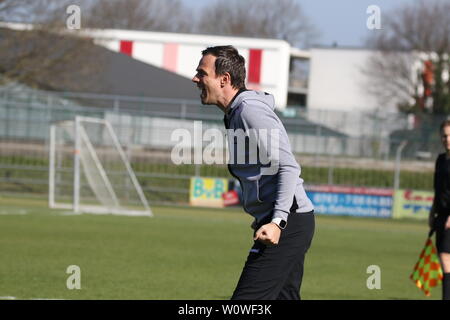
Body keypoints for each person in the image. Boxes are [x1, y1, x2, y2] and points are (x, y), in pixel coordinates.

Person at [192, 45, 315, 300]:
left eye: (202, 73)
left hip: (287, 222)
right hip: (287, 221)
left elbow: (288, 166)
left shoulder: (250, 110)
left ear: (224, 79)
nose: (195, 79)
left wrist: (277, 221)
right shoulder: (238, 111)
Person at [429, 119, 450, 300]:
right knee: (444, 259)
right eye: (444, 135)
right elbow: (438, 189)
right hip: (441, 216)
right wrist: (432, 211)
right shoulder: (441, 160)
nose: (447, 139)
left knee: (445, 258)